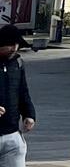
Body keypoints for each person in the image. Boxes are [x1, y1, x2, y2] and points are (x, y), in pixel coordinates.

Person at [0, 25, 37, 167]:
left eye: (16, 45)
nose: (14, 48)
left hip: (12, 136)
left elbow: (23, 92)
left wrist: (29, 114)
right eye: (10, 45)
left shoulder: (18, 63)